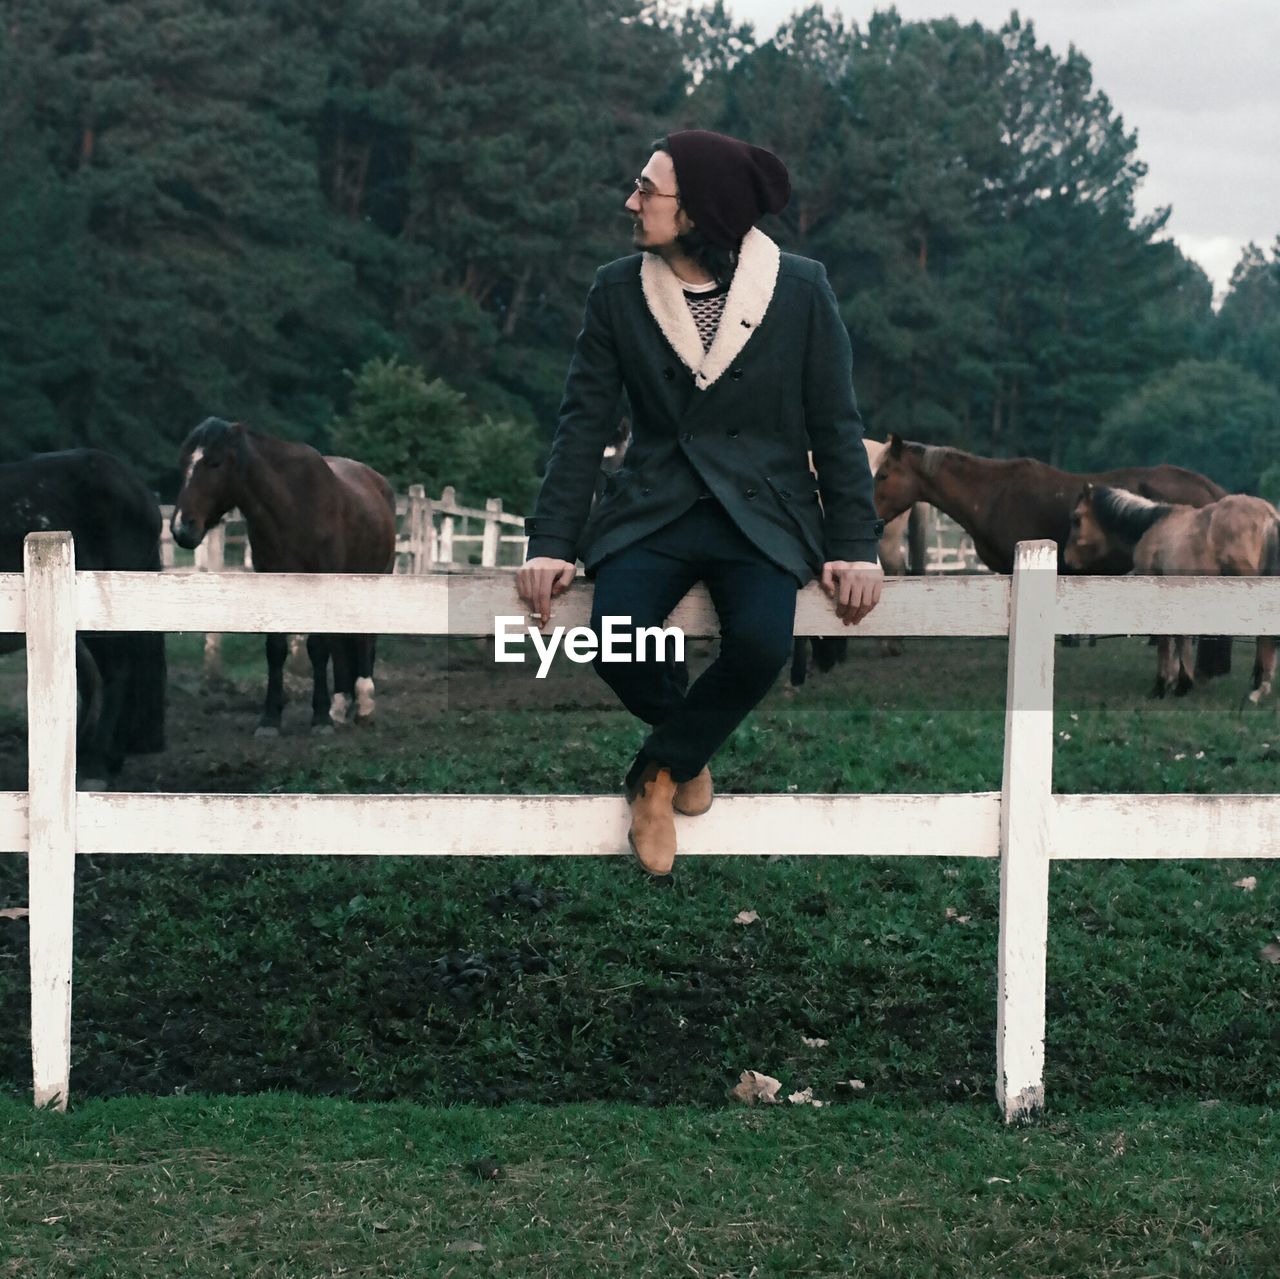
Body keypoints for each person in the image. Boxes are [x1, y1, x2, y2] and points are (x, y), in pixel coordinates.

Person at [515, 129, 884, 876]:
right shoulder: (617, 288)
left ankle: (657, 773)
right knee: (612, 637)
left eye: (648, 189)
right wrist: (551, 539)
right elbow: (582, 422)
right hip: (654, 504)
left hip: (762, 510)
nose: (632, 200)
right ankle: (690, 738)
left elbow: (837, 425)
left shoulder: (802, 288)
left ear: (700, 209)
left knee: (761, 644)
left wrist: (858, 543)